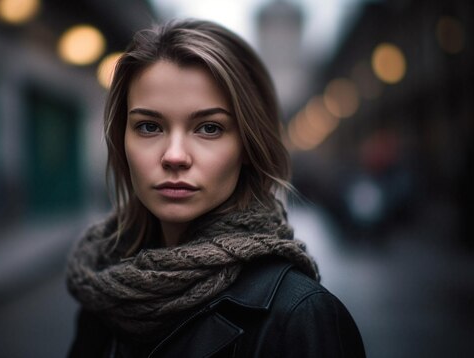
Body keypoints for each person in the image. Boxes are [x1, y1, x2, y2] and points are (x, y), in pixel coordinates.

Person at [66, 19, 365, 357]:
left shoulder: (301, 316)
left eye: (209, 128)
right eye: (149, 126)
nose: (174, 156)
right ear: (121, 141)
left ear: (248, 148)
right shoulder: (106, 290)